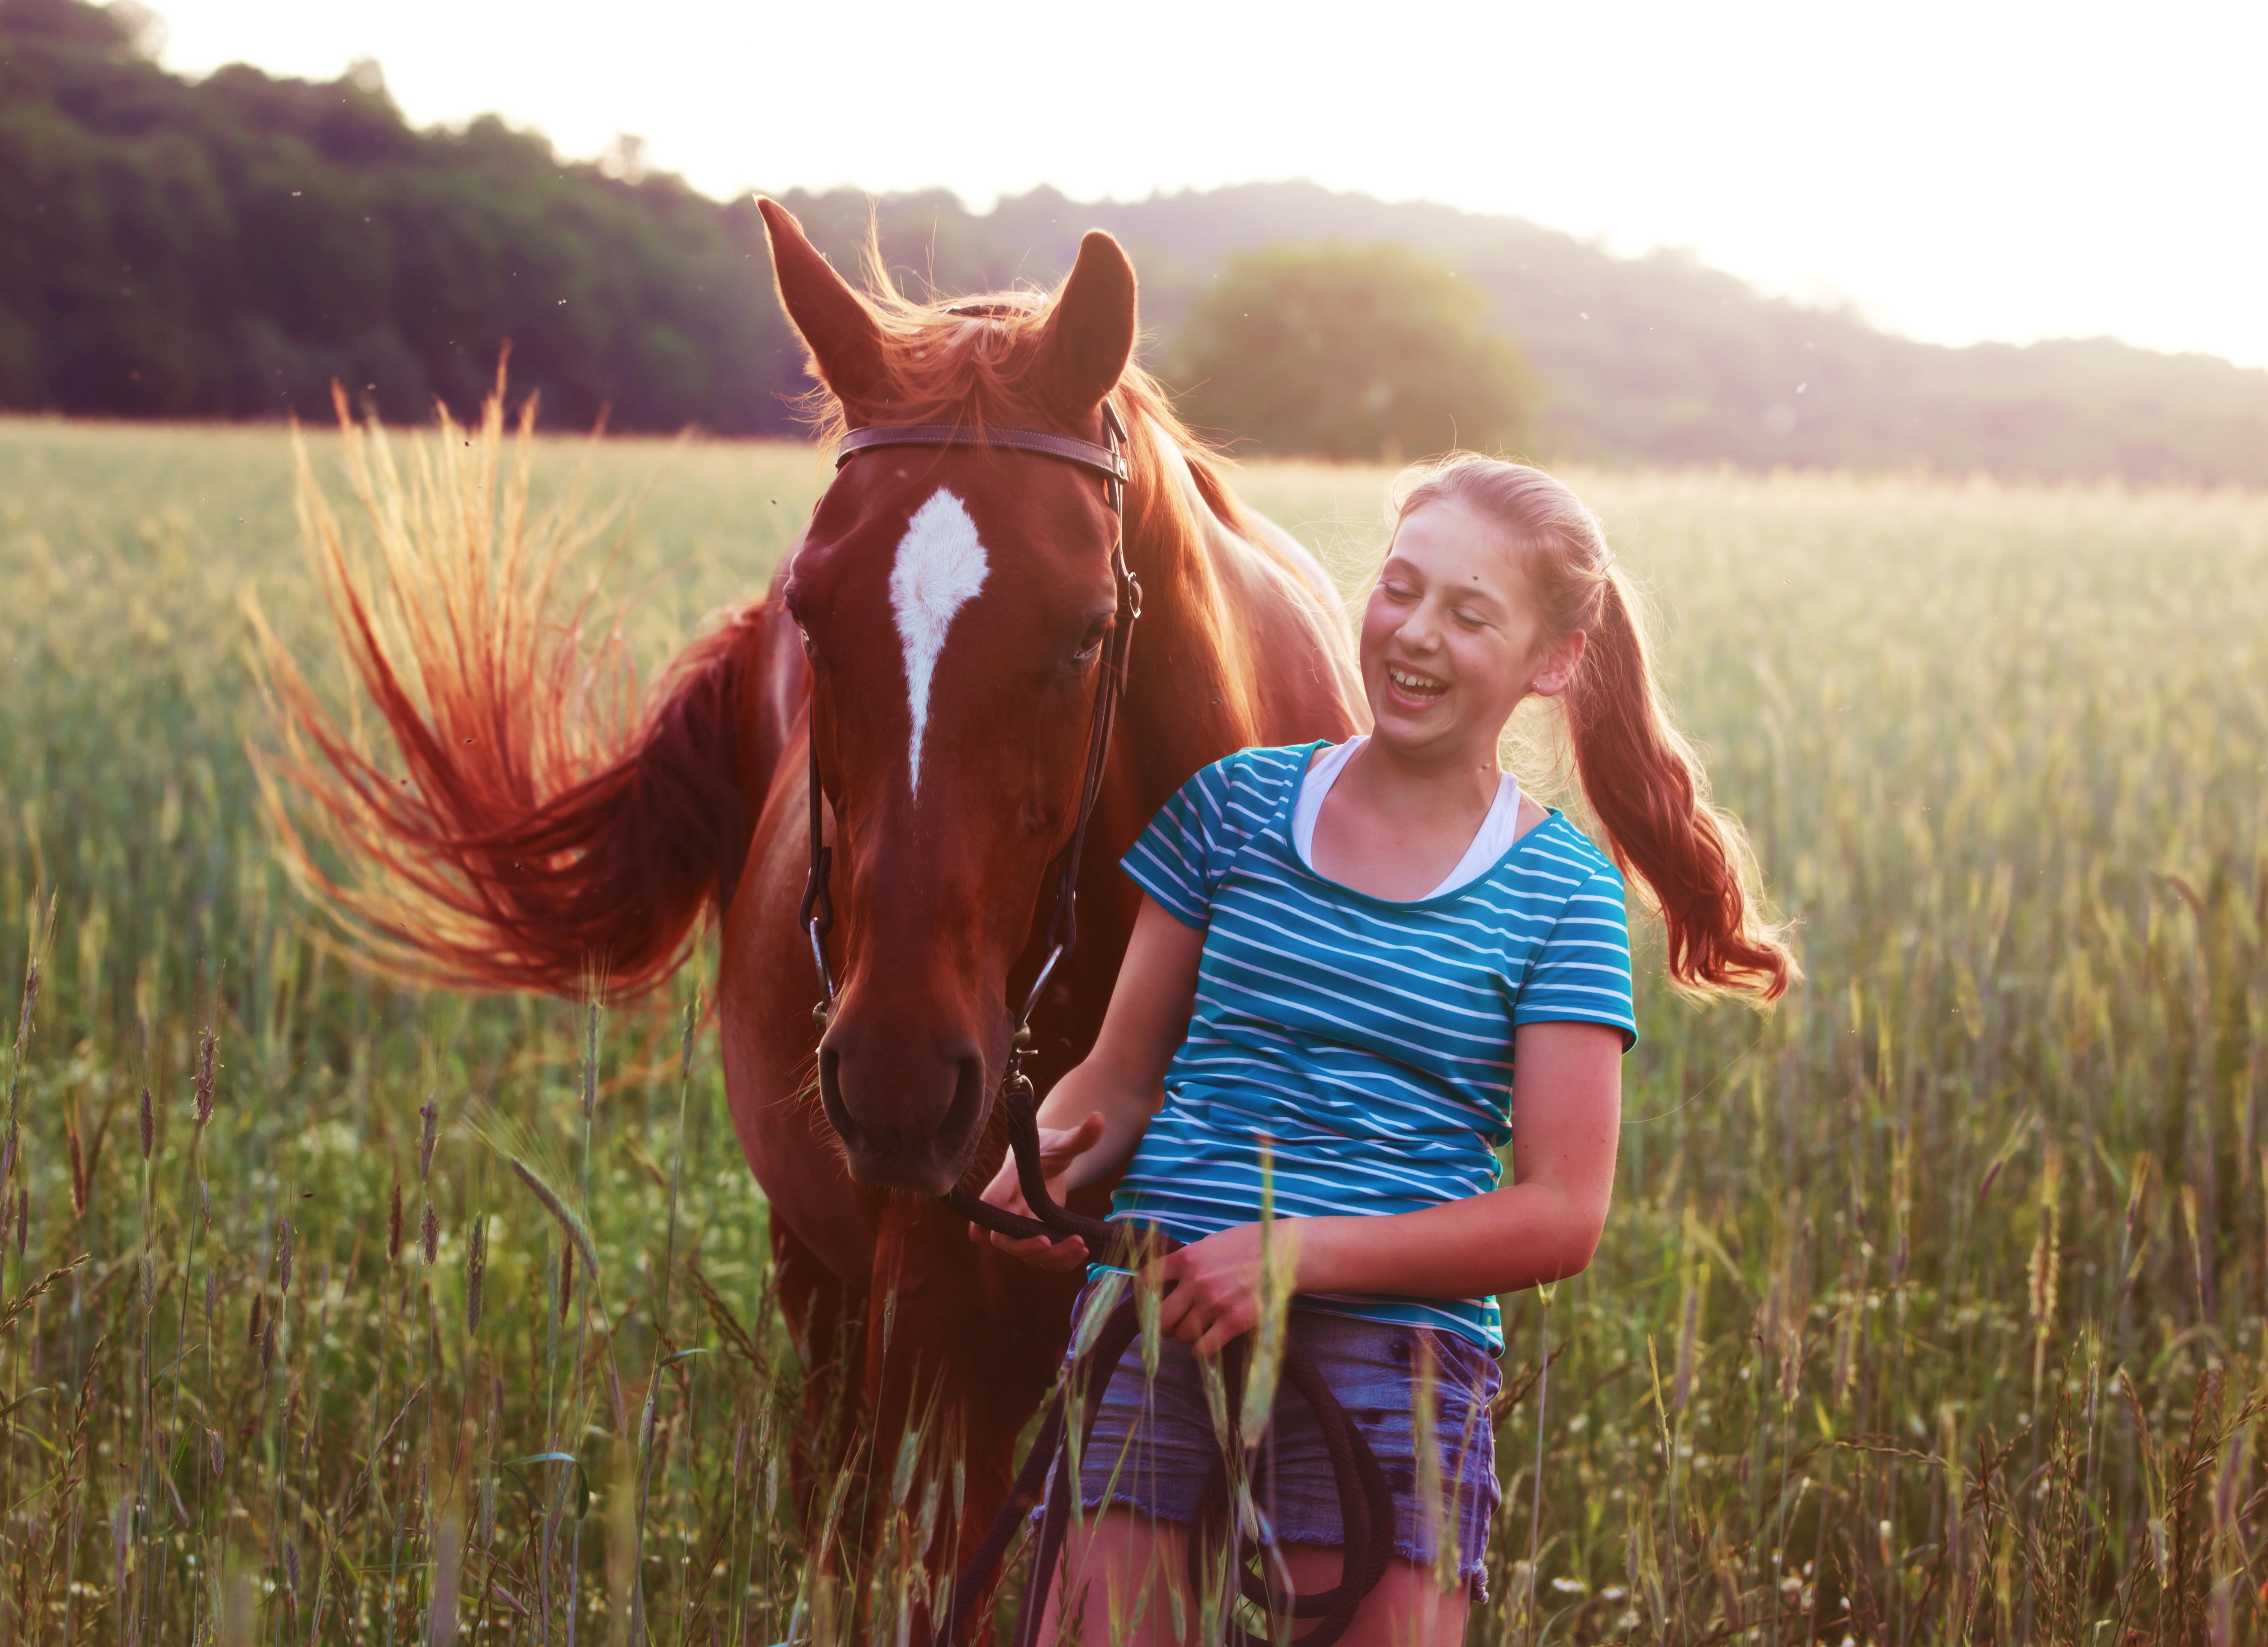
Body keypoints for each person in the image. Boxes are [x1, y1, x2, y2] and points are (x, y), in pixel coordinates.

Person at [977, 455, 1795, 1645]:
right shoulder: (1233, 808)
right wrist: (1047, 1167)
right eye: (1400, 590)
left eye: (1468, 615)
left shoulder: (1559, 893)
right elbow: (1119, 1077)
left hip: (1395, 1357)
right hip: (1157, 1309)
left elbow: (1560, 1215)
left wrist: (1289, 1257)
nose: (1413, 634)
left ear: (1552, 662)